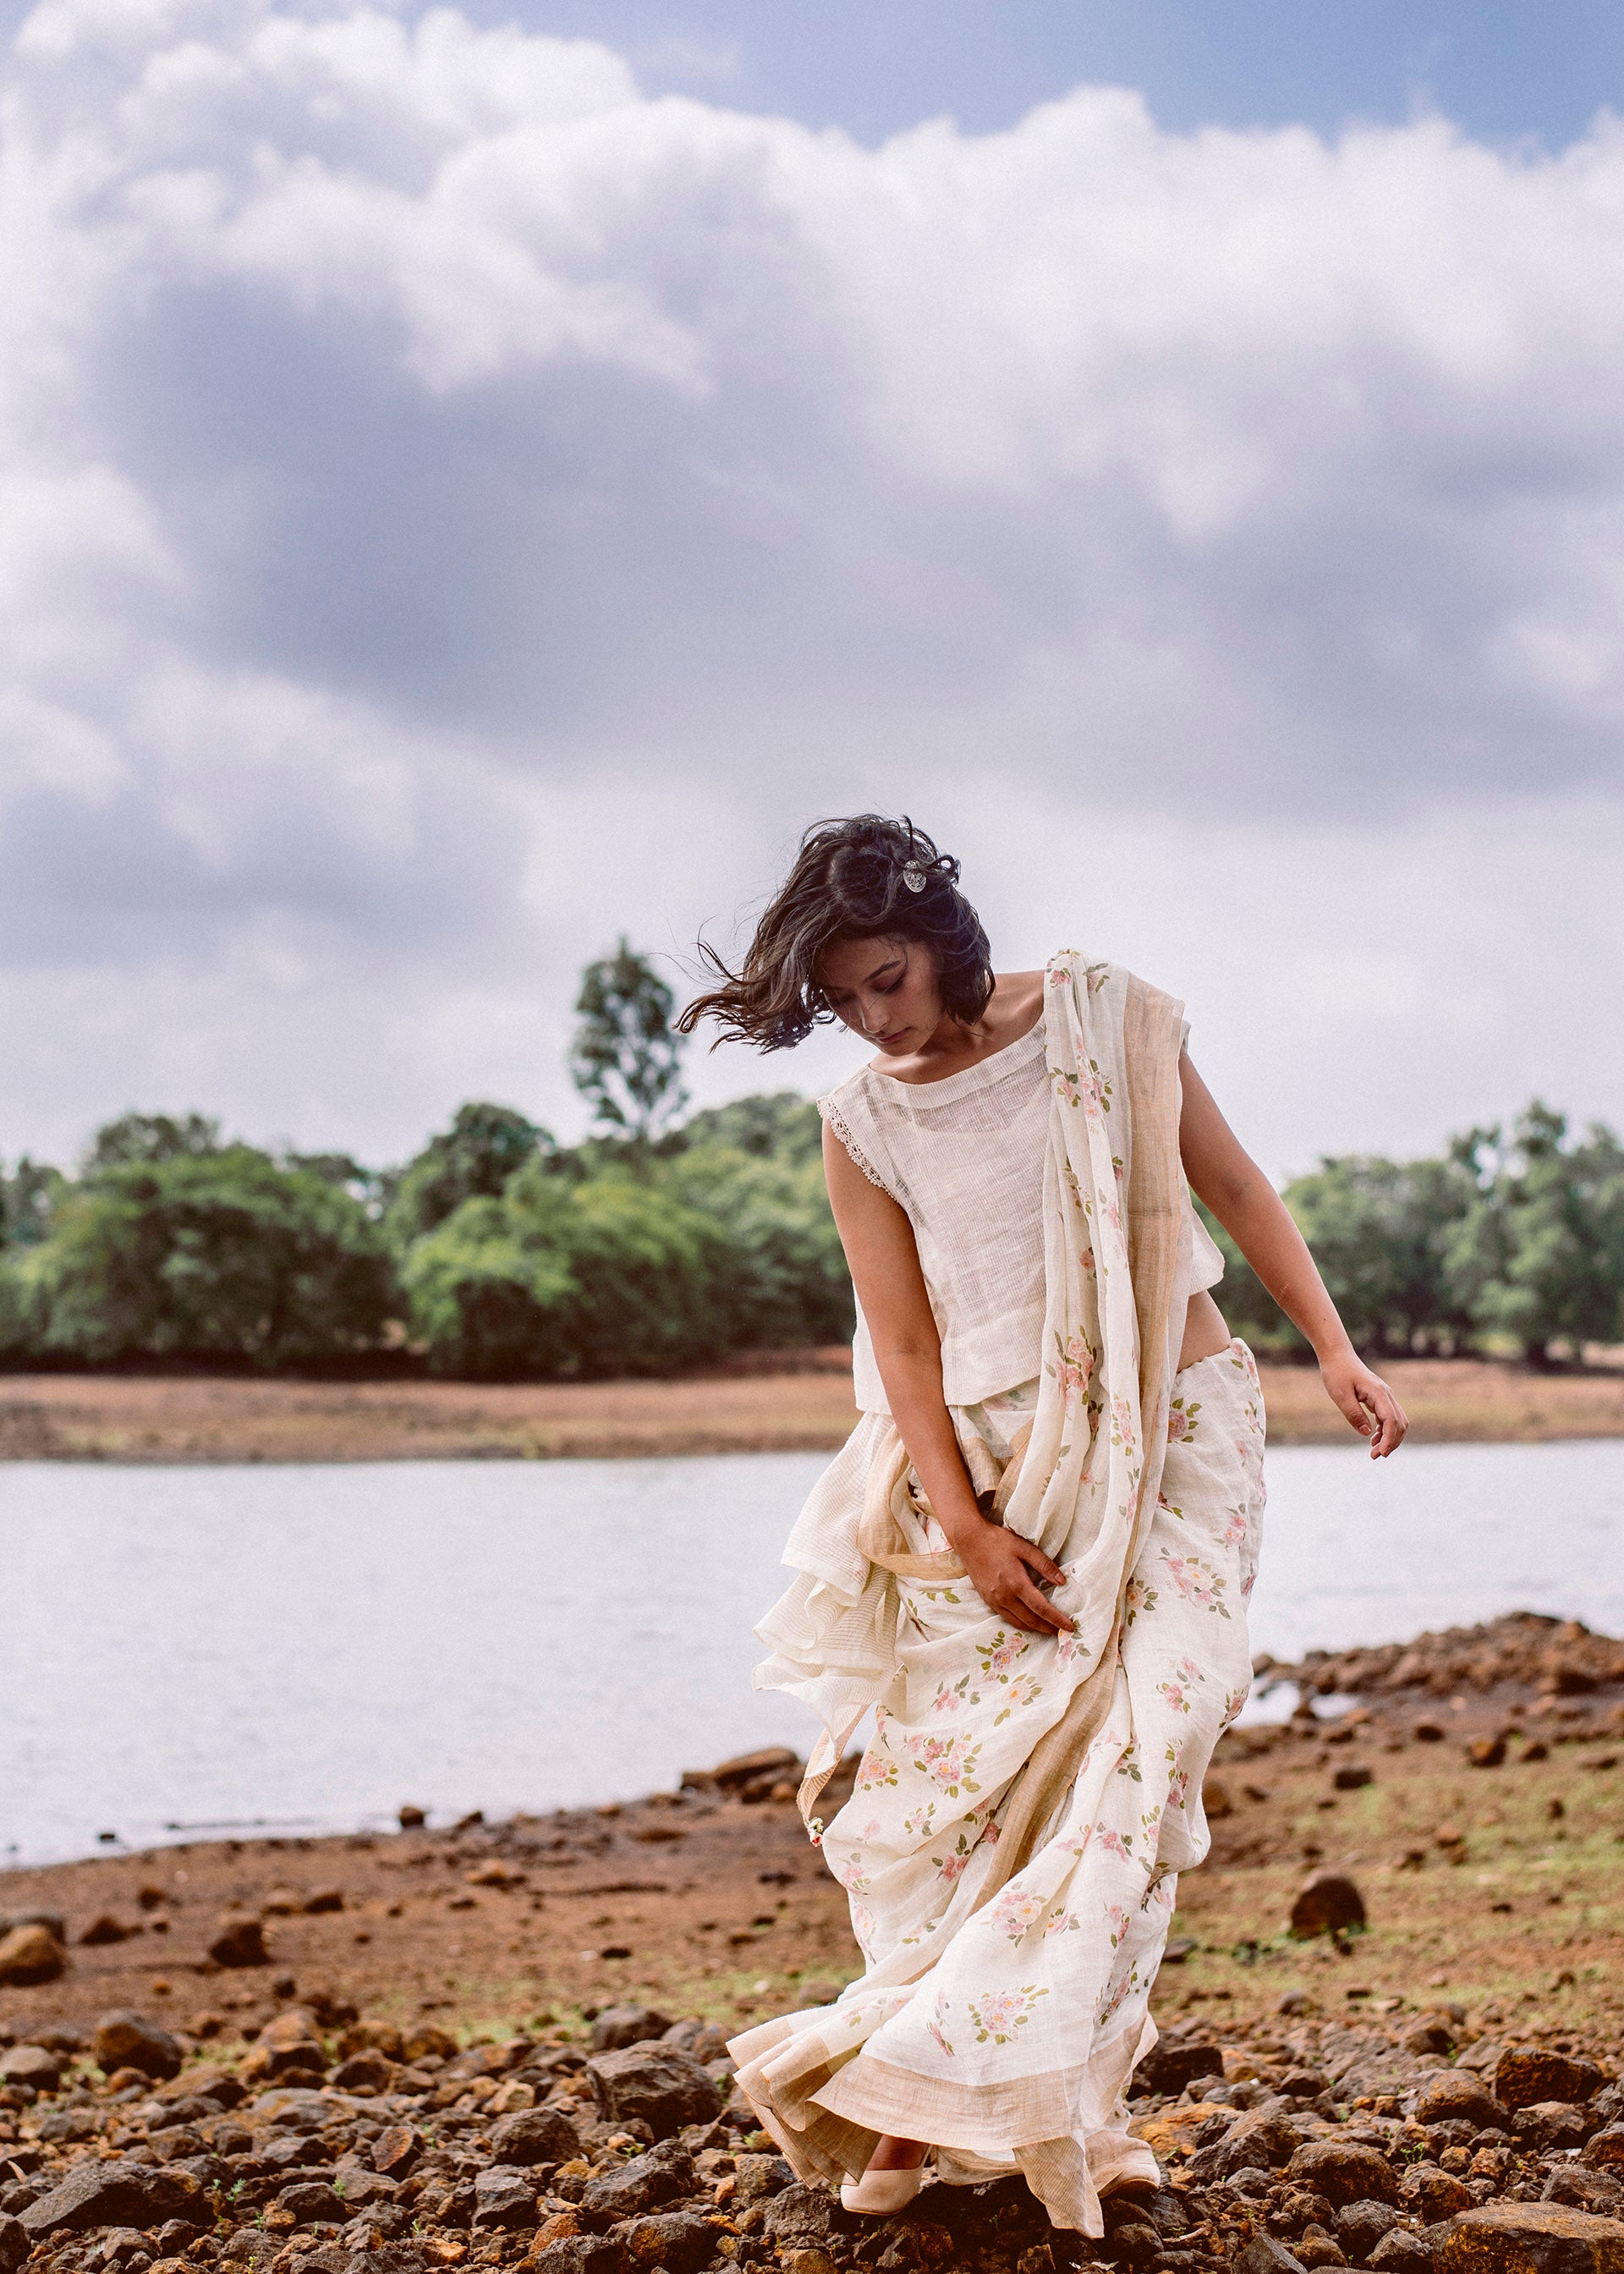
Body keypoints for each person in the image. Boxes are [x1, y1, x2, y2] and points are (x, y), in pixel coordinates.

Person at [680, 814, 1407, 2234]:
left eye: (884, 978)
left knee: (1150, 1752)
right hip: (1009, 1475)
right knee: (1006, 1791)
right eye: (842, 1001)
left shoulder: (1104, 1017)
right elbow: (901, 1348)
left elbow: (1235, 1183)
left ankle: (971, 2088)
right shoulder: (864, 1122)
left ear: (940, 936)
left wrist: (1333, 1346)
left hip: (1185, 1419)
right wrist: (963, 1528)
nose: (873, 1018)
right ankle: (952, 2093)